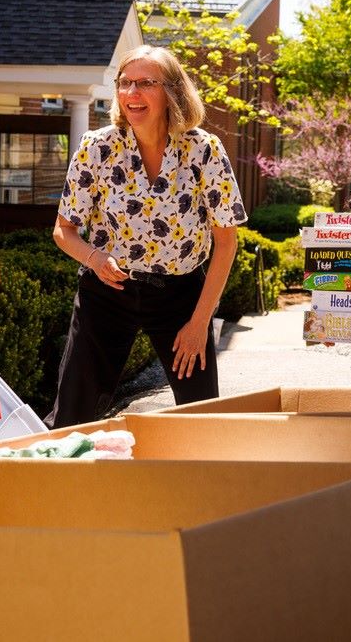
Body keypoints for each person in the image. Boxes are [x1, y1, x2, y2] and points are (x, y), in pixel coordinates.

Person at [47, 45, 246, 425]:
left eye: (145, 84)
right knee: (72, 414)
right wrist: (94, 258)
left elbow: (226, 242)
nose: (131, 93)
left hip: (180, 294)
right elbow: (64, 230)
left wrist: (200, 322)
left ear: (172, 91)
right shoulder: (97, 148)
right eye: (125, 83)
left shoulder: (204, 150)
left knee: (200, 414)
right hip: (107, 291)